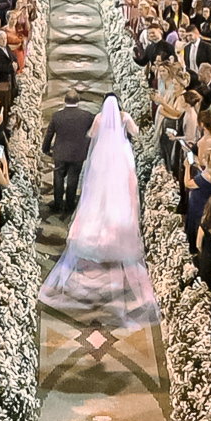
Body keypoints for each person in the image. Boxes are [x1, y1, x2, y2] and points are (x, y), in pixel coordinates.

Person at [39, 93, 159, 329]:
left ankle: (96, 226)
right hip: (121, 158)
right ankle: (116, 228)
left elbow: (92, 136)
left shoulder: (98, 118)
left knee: (98, 194)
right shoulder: (124, 118)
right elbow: (136, 133)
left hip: (102, 161)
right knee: (121, 195)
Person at [42, 89, 95, 215]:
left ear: (64, 100)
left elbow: (49, 135)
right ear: (78, 100)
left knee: (58, 176)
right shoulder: (87, 116)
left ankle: (58, 203)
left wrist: (46, 149)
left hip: (60, 152)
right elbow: (93, 132)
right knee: (73, 177)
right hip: (78, 153)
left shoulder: (57, 116)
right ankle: (70, 204)